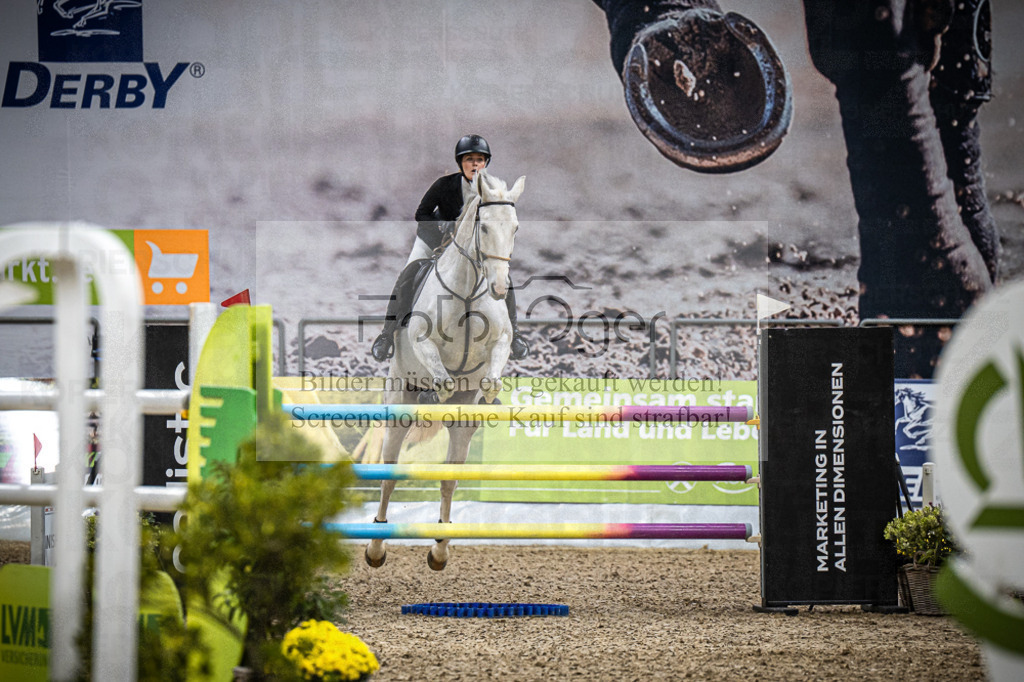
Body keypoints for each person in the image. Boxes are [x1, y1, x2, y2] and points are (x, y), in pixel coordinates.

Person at [370, 134, 530, 362]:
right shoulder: (444, 185)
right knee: (409, 273)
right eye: (469, 159)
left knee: (505, 279)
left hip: (470, 247)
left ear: (486, 163)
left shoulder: (492, 190)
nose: (475, 164)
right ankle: (386, 335)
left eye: (480, 160)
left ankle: (515, 335)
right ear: (460, 163)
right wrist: (441, 225)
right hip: (434, 239)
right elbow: (421, 213)